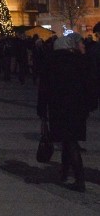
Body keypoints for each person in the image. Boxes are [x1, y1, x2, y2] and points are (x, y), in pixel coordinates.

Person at [37, 33, 97, 192]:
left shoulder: (51, 62)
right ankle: (65, 172)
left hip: (58, 108)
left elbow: (44, 89)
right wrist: (91, 105)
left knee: (68, 141)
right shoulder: (79, 61)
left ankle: (79, 178)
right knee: (68, 140)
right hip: (77, 108)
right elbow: (89, 85)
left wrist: (42, 110)